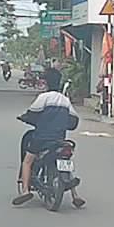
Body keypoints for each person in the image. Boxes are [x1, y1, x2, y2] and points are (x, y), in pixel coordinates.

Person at [13, 69, 85, 208]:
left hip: (41, 138)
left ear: (45, 83)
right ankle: (75, 195)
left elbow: (32, 114)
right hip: (59, 139)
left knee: (27, 161)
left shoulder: (43, 97)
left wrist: (24, 118)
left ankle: (25, 190)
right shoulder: (65, 100)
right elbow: (74, 121)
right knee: (66, 162)